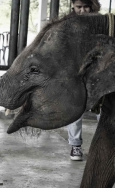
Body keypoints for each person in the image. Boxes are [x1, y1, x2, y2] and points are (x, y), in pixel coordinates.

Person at [67, 0, 101, 161]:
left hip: (99, 72)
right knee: (76, 110)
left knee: (103, 110)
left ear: (92, 5)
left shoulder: (101, 22)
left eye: (85, 6)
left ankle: (104, 146)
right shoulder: (68, 23)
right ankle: (75, 146)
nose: (81, 10)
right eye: (78, 7)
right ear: (73, 6)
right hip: (76, 72)